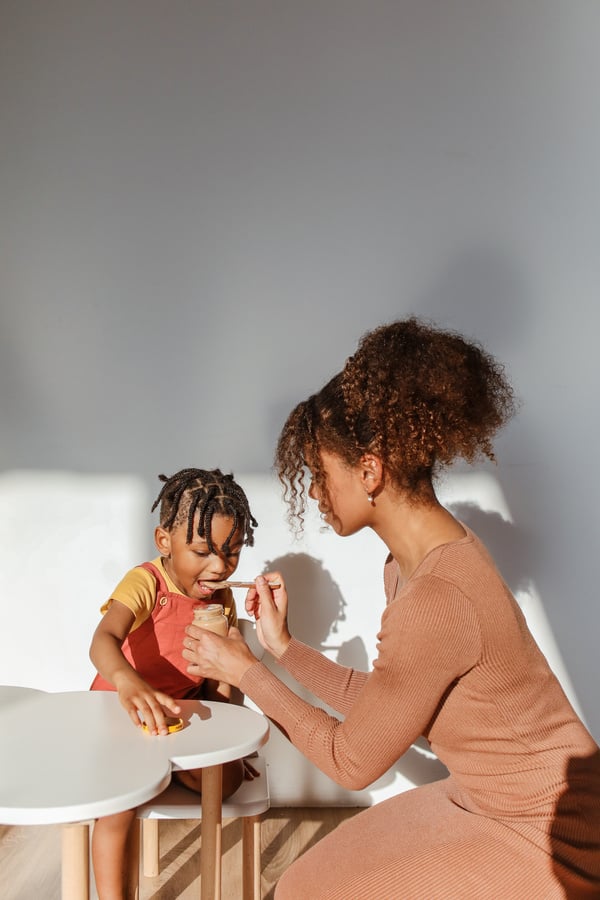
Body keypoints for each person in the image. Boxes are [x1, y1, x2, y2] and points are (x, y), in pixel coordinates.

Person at [182, 318, 600, 899]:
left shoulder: (437, 596)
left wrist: (244, 672)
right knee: (298, 885)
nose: (314, 493)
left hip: (553, 837)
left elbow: (354, 761)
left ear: (370, 472)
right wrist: (282, 649)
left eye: (321, 474)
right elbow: (388, 707)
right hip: (481, 797)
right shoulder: (409, 568)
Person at [89, 467, 258, 900]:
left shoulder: (221, 597)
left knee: (231, 781)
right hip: (121, 711)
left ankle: (165, 770)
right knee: (118, 806)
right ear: (164, 541)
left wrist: (232, 739)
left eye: (232, 552)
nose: (220, 567)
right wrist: (129, 684)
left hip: (178, 714)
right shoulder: (146, 581)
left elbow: (221, 680)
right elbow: (102, 641)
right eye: (202, 552)